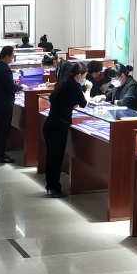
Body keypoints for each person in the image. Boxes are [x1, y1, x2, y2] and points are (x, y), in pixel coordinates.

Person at [43, 62, 88, 197]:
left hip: (51, 123)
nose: (84, 79)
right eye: (84, 76)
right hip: (59, 126)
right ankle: (55, 188)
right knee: (56, 158)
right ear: (79, 75)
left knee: (51, 157)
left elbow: (64, 100)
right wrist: (88, 90)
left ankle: (50, 185)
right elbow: (84, 103)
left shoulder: (64, 81)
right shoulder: (74, 85)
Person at [0, 44, 22, 164]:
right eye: (12, 57)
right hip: (4, 103)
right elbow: (10, 87)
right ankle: (0, 156)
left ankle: (1, 153)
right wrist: (19, 88)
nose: (12, 59)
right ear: (7, 57)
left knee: (2, 128)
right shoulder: (4, 69)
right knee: (3, 130)